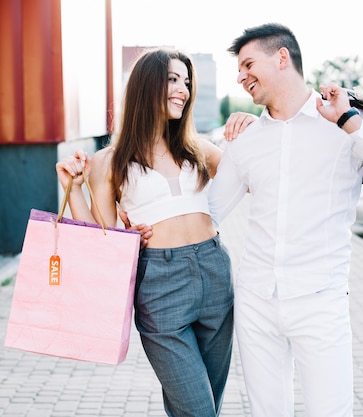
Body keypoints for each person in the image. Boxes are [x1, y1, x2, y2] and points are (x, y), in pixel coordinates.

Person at [208, 23, 363, 417]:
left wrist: (349, 122)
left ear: (281, 57)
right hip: (256, 300)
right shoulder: (246, 139)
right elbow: (210, 211)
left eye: (247, 64)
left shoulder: (344, 122)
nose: (241, 77)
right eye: (237, 71)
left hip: (321, 300)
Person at [55, 48, 253, 417]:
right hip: (160, 284)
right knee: (197, 410)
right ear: (147, 86)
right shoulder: (109, 160)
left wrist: (254, 129)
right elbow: (101, 235)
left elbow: (258, 180)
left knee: (209, 401)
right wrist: (73, 187)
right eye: (174, 80)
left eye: (187, 82)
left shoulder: (199, 149)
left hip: (213, 270)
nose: (184, 90)